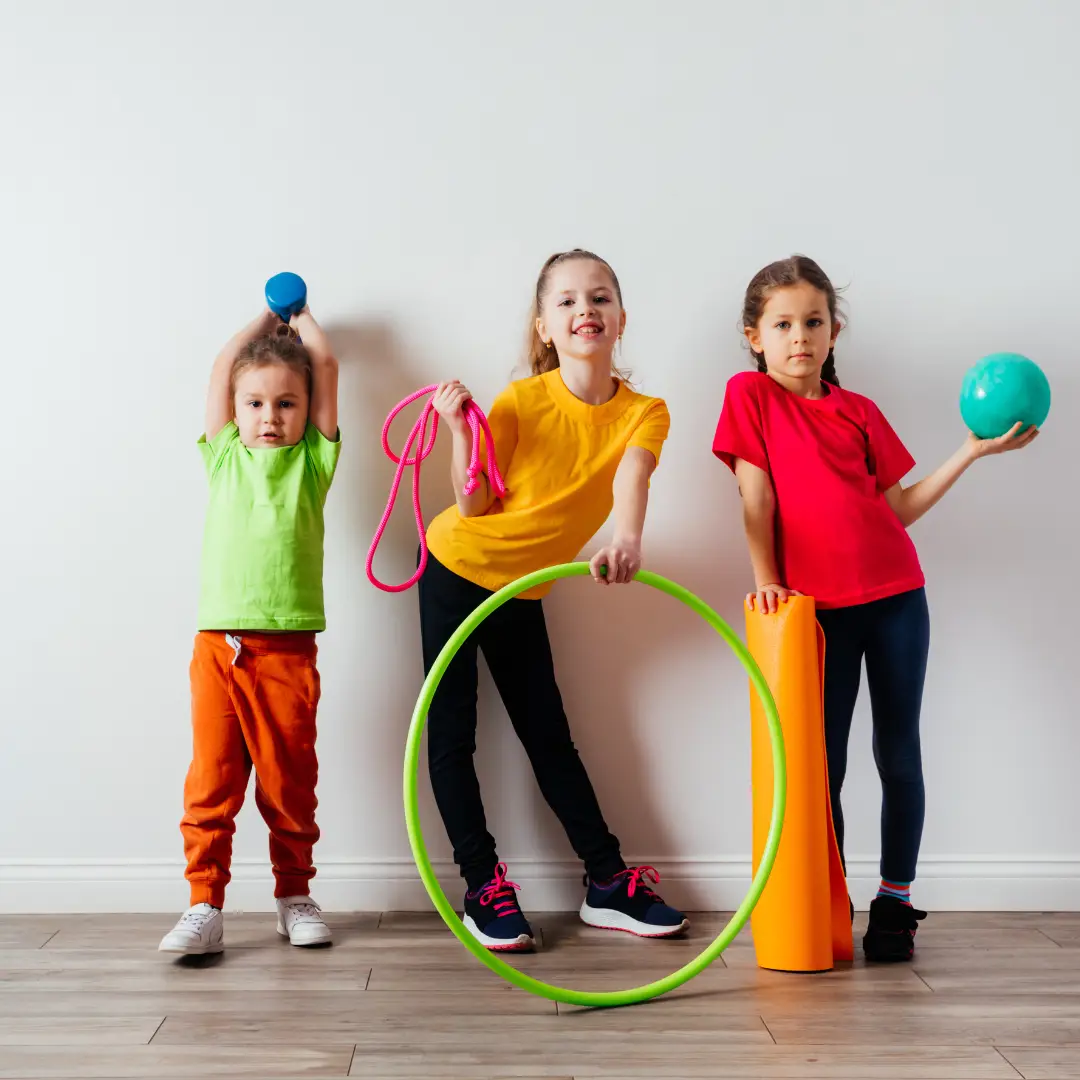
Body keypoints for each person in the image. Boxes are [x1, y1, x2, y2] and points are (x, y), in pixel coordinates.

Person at [713, 255, 1037, 961]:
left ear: (835, 331)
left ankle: (894, 903)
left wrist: (972, 452)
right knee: (820, 769)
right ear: (754, 335)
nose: (800, 336)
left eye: (815, 321)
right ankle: (826, 898)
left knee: (899, 753)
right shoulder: (750, 397)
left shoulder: (859, 412)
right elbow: (755, 498)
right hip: (813, 613)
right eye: (783, 323)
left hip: (896, 601)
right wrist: (766, 576)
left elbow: (899, 508)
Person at [419, 249, 689, 951]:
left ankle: (606, 882)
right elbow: (473, 504)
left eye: (599, 298)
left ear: (621, 318)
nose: (584, 311)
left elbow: (634, 477)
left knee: (549, 735)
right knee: (452, 736)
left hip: (521, 587)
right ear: (544, 326)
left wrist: (628, 539)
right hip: (457, 565)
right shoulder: (519, 402)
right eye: (566, 301)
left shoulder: (645, 412)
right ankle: (483, 887)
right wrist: (458, 430)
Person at [159, 305, 341, 955]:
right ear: (236, 411)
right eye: (256, 403)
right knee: (212, 779)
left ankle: (295, 895)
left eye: (286, 404)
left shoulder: (314, 463)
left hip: (288, 647)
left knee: (289, 781)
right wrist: (260, 323)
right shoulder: (223, 457)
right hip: (218, 647)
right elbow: (219, 368)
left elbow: (324, 362)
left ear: (306, 410)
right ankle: (203, 904)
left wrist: (304, 319)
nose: (270, 417)